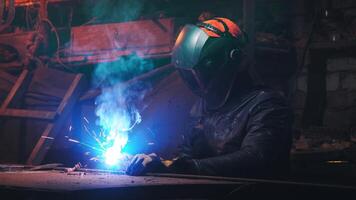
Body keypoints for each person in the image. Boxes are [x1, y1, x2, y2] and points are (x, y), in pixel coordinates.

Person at [126, 17, 293, 178]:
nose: (197, 81)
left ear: (234, 63)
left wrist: (181, 167)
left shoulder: (268, 105)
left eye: (202, 73)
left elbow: (256, 158)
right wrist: (164, 163)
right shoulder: (206, 105)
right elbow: (188, 155)